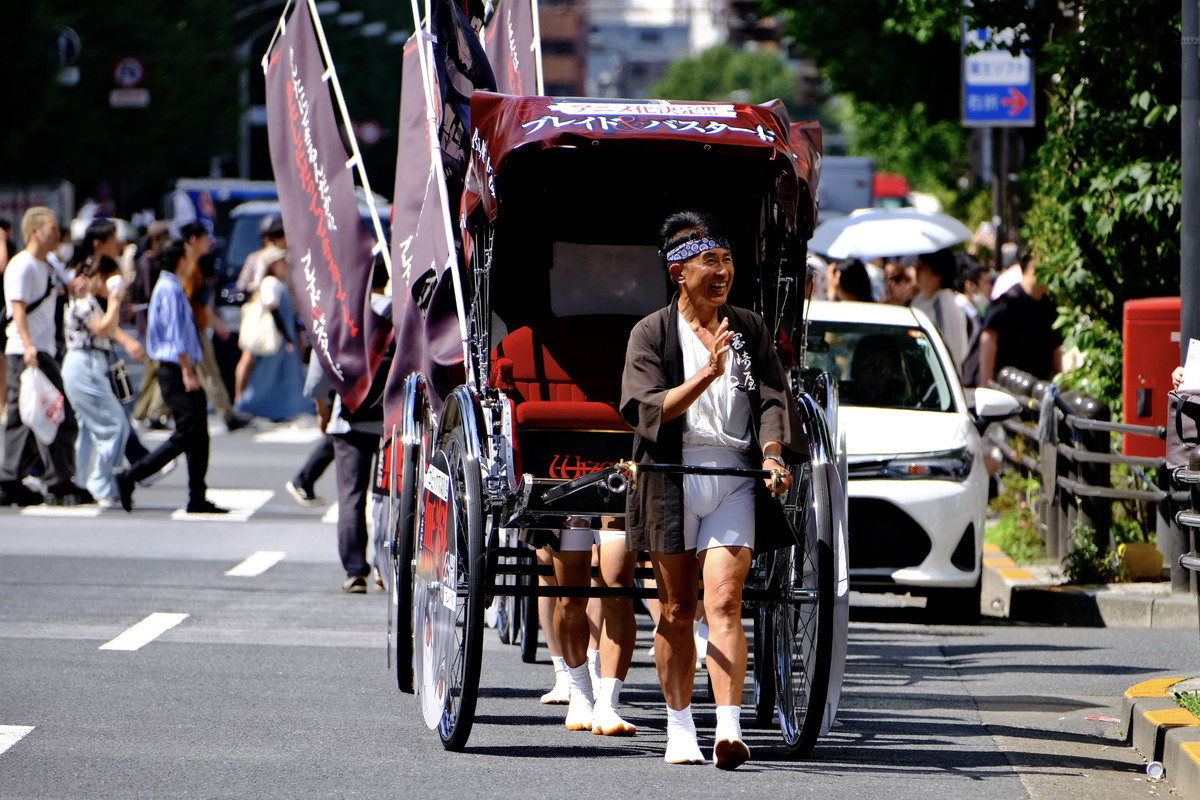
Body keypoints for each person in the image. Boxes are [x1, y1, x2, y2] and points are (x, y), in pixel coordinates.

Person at [620, 211, 805, 769]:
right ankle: (680, 727)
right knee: (678, 610)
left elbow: (773, 400)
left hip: (735, 479)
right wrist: (706, 373)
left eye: (727, 261)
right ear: (680, 271)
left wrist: (772, 455)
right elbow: (645, 408)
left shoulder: (749, 328)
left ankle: (728, 728)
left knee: (724, 601)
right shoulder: (651, 333)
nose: (722, 272)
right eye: (710, 262)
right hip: (670, 475)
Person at [115, 240, 228, 515]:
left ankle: (197, 497)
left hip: (181, 366)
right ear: (180, 260)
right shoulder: (170, 288)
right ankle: (132, 475)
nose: (192, 261)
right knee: (187, 432)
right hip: (176, 369)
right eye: (189, 257)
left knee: (199, 434)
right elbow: (177, 334)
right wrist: (188, 370)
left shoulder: (171, 286)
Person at [0, 207, 89, 507]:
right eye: (52, 228)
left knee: (27, 417)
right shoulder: (21, 265)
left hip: (41, 349)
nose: (58, 234)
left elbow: (66, 290)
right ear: (35, 231)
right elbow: (18, 310)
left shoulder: (48, 265)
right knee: (55, 414)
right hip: (27, 351)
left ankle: (10, 479)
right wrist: (27, 347)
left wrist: (76, 288)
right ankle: (58, 481)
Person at [547, 520, 638, 736]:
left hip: (616, 496)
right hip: (571, 496)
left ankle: (608, 702)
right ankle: (579, 687)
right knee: (570, 602)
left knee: (617, 590)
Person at [61, 255, 132, 506]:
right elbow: (102, 329)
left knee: (88, 430)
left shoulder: (85, 299)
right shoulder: (83, 300)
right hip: (85, 364)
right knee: (115, 425)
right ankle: (100, 483)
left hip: (86, 364)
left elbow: (107, 328)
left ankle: (81, 482)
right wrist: (115, 301)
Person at [234, 246, 312, 421]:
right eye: (282, 261)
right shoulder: (270, 283)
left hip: (279, 339)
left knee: (278, 377)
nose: (285, 264)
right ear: (274, 264)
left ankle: (280, 410)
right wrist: (287, 337)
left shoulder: (276, 282)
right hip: (275, 339)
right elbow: (273, 309)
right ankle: (244, 406)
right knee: (265, 378)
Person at [978, 249, 1063, 386]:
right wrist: (986, 383)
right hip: (1008, 388)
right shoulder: (1009, 300)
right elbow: (988, 337)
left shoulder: (1049, 307)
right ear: (1032, 265)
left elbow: (1056, 348)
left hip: (1038, 391)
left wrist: (1061, 387)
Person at [234, 216, 288, 402]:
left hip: (279, 309)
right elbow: (243, 286)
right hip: (262, 311)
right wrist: (262, 286)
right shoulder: (261, 257)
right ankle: (239, 399)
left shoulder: (283, 255)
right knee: (249, 355)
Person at [910, 249, 969, 377]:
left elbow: (947, 352)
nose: (916, 272)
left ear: (938, 273)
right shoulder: (919, 299)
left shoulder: (944, 305)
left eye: (922, 267)